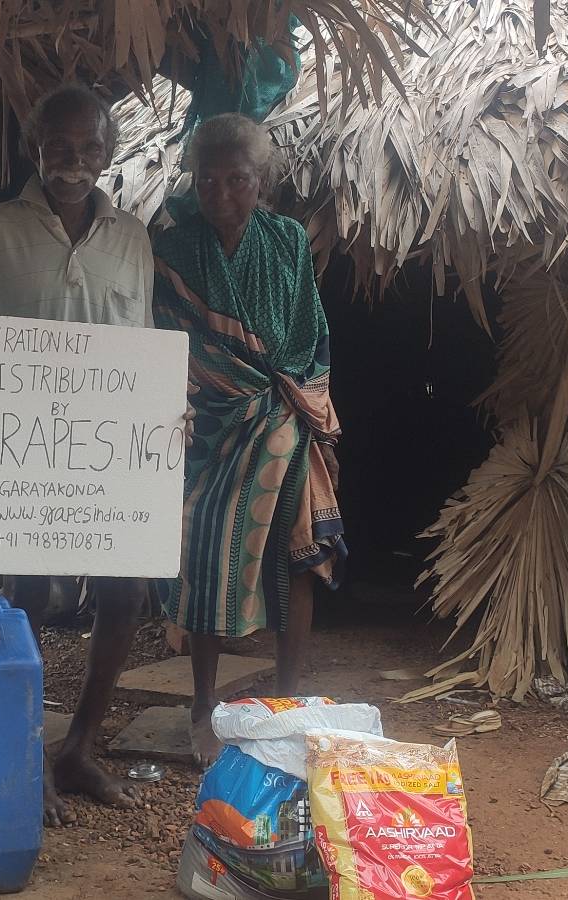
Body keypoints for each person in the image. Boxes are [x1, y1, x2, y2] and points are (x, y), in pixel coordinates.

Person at [0, 84, 153, 825]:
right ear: (37, 147)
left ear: (109, 154)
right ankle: (24, 750)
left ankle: (79, 747)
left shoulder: (132, 237)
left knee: (124, 593)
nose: (75, 163)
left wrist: (162, 410)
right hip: (24, 449)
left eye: (91, 150)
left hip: (108, 447)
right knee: (29, 594)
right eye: (61, 148)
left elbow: (139, 344)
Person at [152, 113, 346, 764]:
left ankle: (288, 700)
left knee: (297, 560)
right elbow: (167, 342)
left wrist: (287, 403)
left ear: (261, 181)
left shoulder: (287, 240)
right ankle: (203, 703)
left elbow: (306, 333)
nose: (222, 194)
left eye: (237, 180)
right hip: (208, 429)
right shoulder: (173, 250)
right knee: (205, 557)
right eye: (208, 180)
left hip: (282, 422)